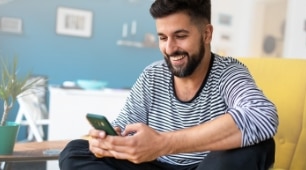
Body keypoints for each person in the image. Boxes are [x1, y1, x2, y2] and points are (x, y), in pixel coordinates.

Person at [59, 0, 278, 169]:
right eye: (163, 38)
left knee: (259, 146)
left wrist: (164, 143)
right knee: (76, 151)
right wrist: (106, 144)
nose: (170, 48)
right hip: (155, 166)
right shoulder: (153, 75)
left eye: (180, 36)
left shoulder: (228, 72)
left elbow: (262, 115)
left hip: (207, 166)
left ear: (207, 34)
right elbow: (123, 128)